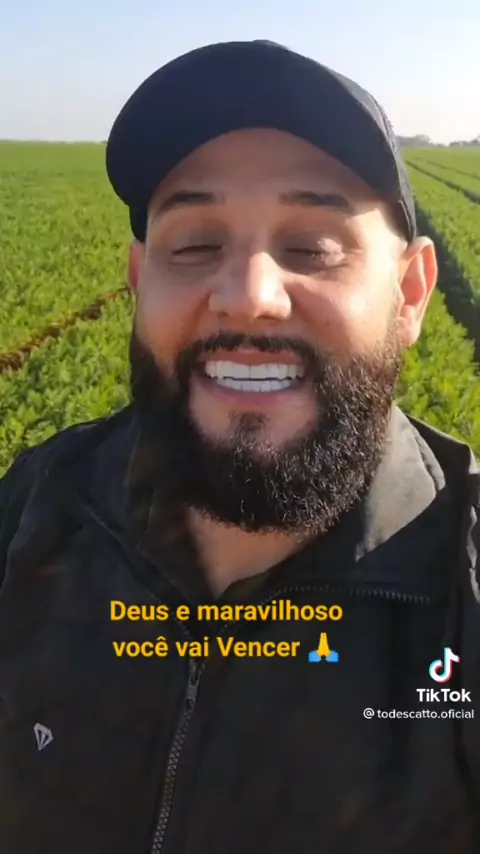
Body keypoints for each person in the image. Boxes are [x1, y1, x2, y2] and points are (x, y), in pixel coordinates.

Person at [0, 39, 479, 854]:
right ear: (140, 282)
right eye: (194, 244)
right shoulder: (36, 507)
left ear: (409, 293)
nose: (249, 296)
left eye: (312, 248)